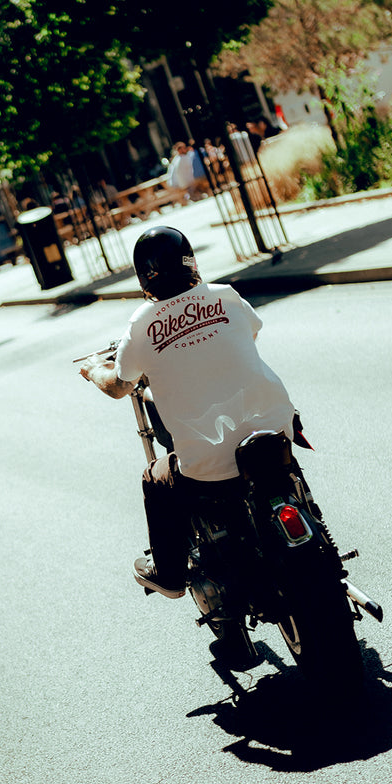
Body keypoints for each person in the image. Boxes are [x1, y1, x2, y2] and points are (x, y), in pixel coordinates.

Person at [79, 226, 295, 599]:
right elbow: (250, 335)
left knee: (155, 478)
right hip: (278, 431)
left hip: (211, 466)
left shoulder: (142, 324)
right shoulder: (226, 296)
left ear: (143, 275)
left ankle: (171, 576)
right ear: (191, 261)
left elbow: (119, 385)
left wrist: (93, 368)